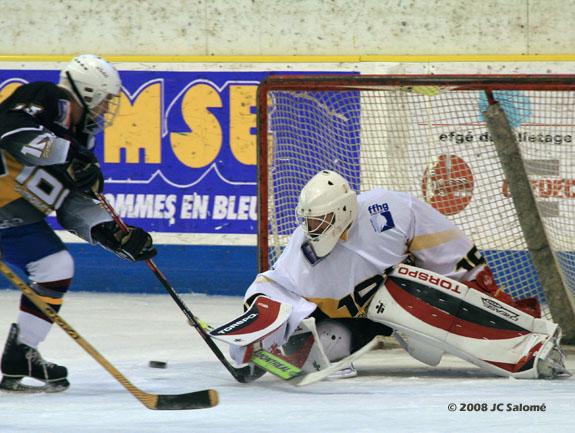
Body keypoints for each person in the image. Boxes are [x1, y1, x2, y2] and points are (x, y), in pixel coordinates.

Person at [227, 169, 568, 380]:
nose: (312, 230)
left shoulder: (388, 208)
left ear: (344, 209)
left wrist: (474, 283)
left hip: (407, 300)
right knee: (326, 348)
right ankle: (278, 351)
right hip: (360, 317)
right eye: (309, 221)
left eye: (320, 221)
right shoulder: (305, 248)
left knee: (418, 316)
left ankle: (523, 343)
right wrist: (257, 329)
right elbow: (274, 284)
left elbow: (445, 241)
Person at [0, 54, 157, 392]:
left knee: (54, 265)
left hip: (13, 211)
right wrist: (67, 155)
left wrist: (111, 233)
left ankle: (21, 355)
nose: (105, 110)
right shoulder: (48, 98)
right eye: (104, 101)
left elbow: (70, 205)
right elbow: (9, 129)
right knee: (54, 264)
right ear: (87, 93)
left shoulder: (80, 142)